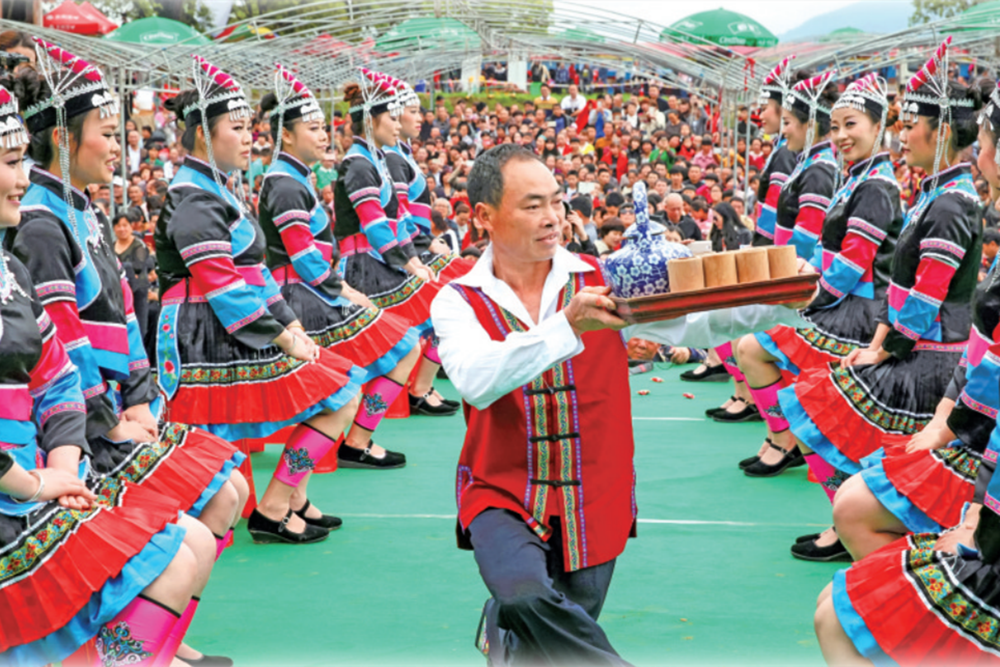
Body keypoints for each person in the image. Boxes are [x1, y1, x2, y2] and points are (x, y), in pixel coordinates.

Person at [431, 143, 813, 666]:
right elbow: (476, 381)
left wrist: (777, 304)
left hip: (596, 492)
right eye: (533, 205)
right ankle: (510, 620)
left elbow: (692, 323)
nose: (553, 219)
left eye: (558, 202)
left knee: (558, 635)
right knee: (523, 594)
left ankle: (504, 633)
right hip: (500, 489)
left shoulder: (603, 276)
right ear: (484, 216)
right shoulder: (455, 299)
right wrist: (567, 325)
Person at [0, 80, 217, 667]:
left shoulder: (16, 264)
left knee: (197, 530)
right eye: (9, 161)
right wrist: (41, 477)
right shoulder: (44, 227)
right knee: (184, 545)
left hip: (50, 460)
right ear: (64, 141)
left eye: (21, 161)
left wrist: (63, 466)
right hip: (22, 478)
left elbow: (58, 373)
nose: (21, 177)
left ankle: (154, 650)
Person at [783, 41, 984, 565]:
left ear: (941, 134)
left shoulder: (950, 203)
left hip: (931, 358)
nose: (902, 134)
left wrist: (882, 347)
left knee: (826, 416)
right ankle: (850, 529)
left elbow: (925, 296)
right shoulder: (934, 194)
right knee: (833, 426)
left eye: (910, 124)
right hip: (913, 346)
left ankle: (866, 540)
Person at [156, 57, 364, 545]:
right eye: (237, 127)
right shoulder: (193, 196)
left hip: (229, 322)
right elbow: (222, 283)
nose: (251, 137)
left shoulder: (221, 189)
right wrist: (281, 334)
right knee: (220, 448)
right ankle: (269, 508)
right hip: (201, 329)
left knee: (341, 392)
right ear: (205, 134)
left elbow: (253, 275)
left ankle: (279, 502)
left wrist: (289, 324)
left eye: (250, 127)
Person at [737, 74, 906, 561]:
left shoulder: (875, 186)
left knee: (815, 411)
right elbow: (831, 255)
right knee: (790, 389)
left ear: (879, 125)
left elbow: (853, 264)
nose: (841, 136)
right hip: (838, 304)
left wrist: (805, 299)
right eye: (835, 127)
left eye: (851, 124)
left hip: (856, 313)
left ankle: (839, 512)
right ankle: (829, 501)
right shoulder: (857, 176)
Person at [258, 64, 418, 469]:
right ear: (286, 135)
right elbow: (304, 256)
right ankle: (350, 446)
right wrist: (343, 289)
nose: (323, 133)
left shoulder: (295, 177)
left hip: (311, 287)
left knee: (393, 351)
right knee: (400, 347)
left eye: (321, 126)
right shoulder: (285, 183)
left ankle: (294, 496)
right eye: (312, 128)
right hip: (303, 292)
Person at [335, 69, 458, 417]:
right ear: (372, 120)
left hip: (381, 262)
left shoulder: (375, 160)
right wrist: (411, 262)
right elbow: (375, 226)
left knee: (423, 328)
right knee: (410, 339)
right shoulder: (360, 164)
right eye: (393, 116)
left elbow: (396, 223)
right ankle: (363, 434)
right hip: (363, 267)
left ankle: (361, 437)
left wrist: (414, 259)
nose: (398, 122)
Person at [752, 59, 801, 247]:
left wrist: (758, 247)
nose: (761, 116)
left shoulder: (786, 152)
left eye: (764, 109)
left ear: (783, 111)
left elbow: (775, 207)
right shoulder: (783, 148)